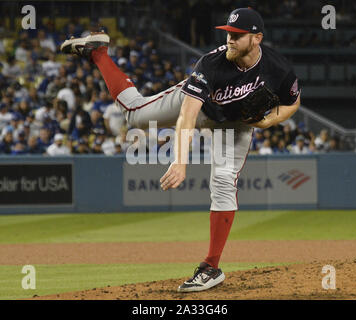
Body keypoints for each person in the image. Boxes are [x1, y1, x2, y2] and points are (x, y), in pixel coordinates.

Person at [61, 8, 301, 292]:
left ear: (257, 38)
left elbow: (293, 102)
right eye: (228, 34)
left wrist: (269, 121)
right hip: (199, 109)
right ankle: (99, 52)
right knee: (136, 115)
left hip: (234, 124)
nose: (230, 40)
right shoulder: (211, 63)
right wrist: (179, 161)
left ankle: (211, 267)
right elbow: (187, 116)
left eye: (237, 36)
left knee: (224, 181)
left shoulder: (279, 67)